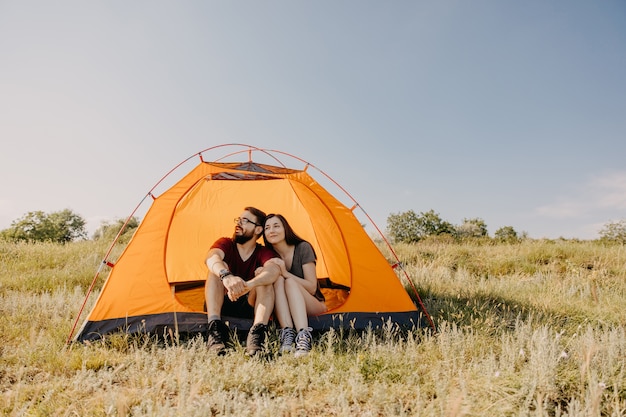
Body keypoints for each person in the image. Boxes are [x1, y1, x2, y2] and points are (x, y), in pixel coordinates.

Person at [205, 207, 281, 356]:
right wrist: (226, 276)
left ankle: (257, 336)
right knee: (216, 269)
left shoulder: (263, 252)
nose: (238, 223)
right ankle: (214, 330)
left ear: (258, 229)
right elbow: (211, 258)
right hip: (223, 301)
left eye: (245, 221)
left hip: (249, 305)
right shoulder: (226, 243)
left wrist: (249, 285)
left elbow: (274, 270)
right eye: (238, 220)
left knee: (264, 277)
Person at [262, 214, 327, 357]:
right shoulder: (268, 256)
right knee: (278, 280)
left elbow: (311, 287)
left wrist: (285, 272)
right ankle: (287, 334)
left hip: (312, 302)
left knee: (288, 281)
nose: (271, 230)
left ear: (285, 228)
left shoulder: (303, 248)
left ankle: (304, 336)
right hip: (285, 307)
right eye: (267, 228)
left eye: (276, 226)